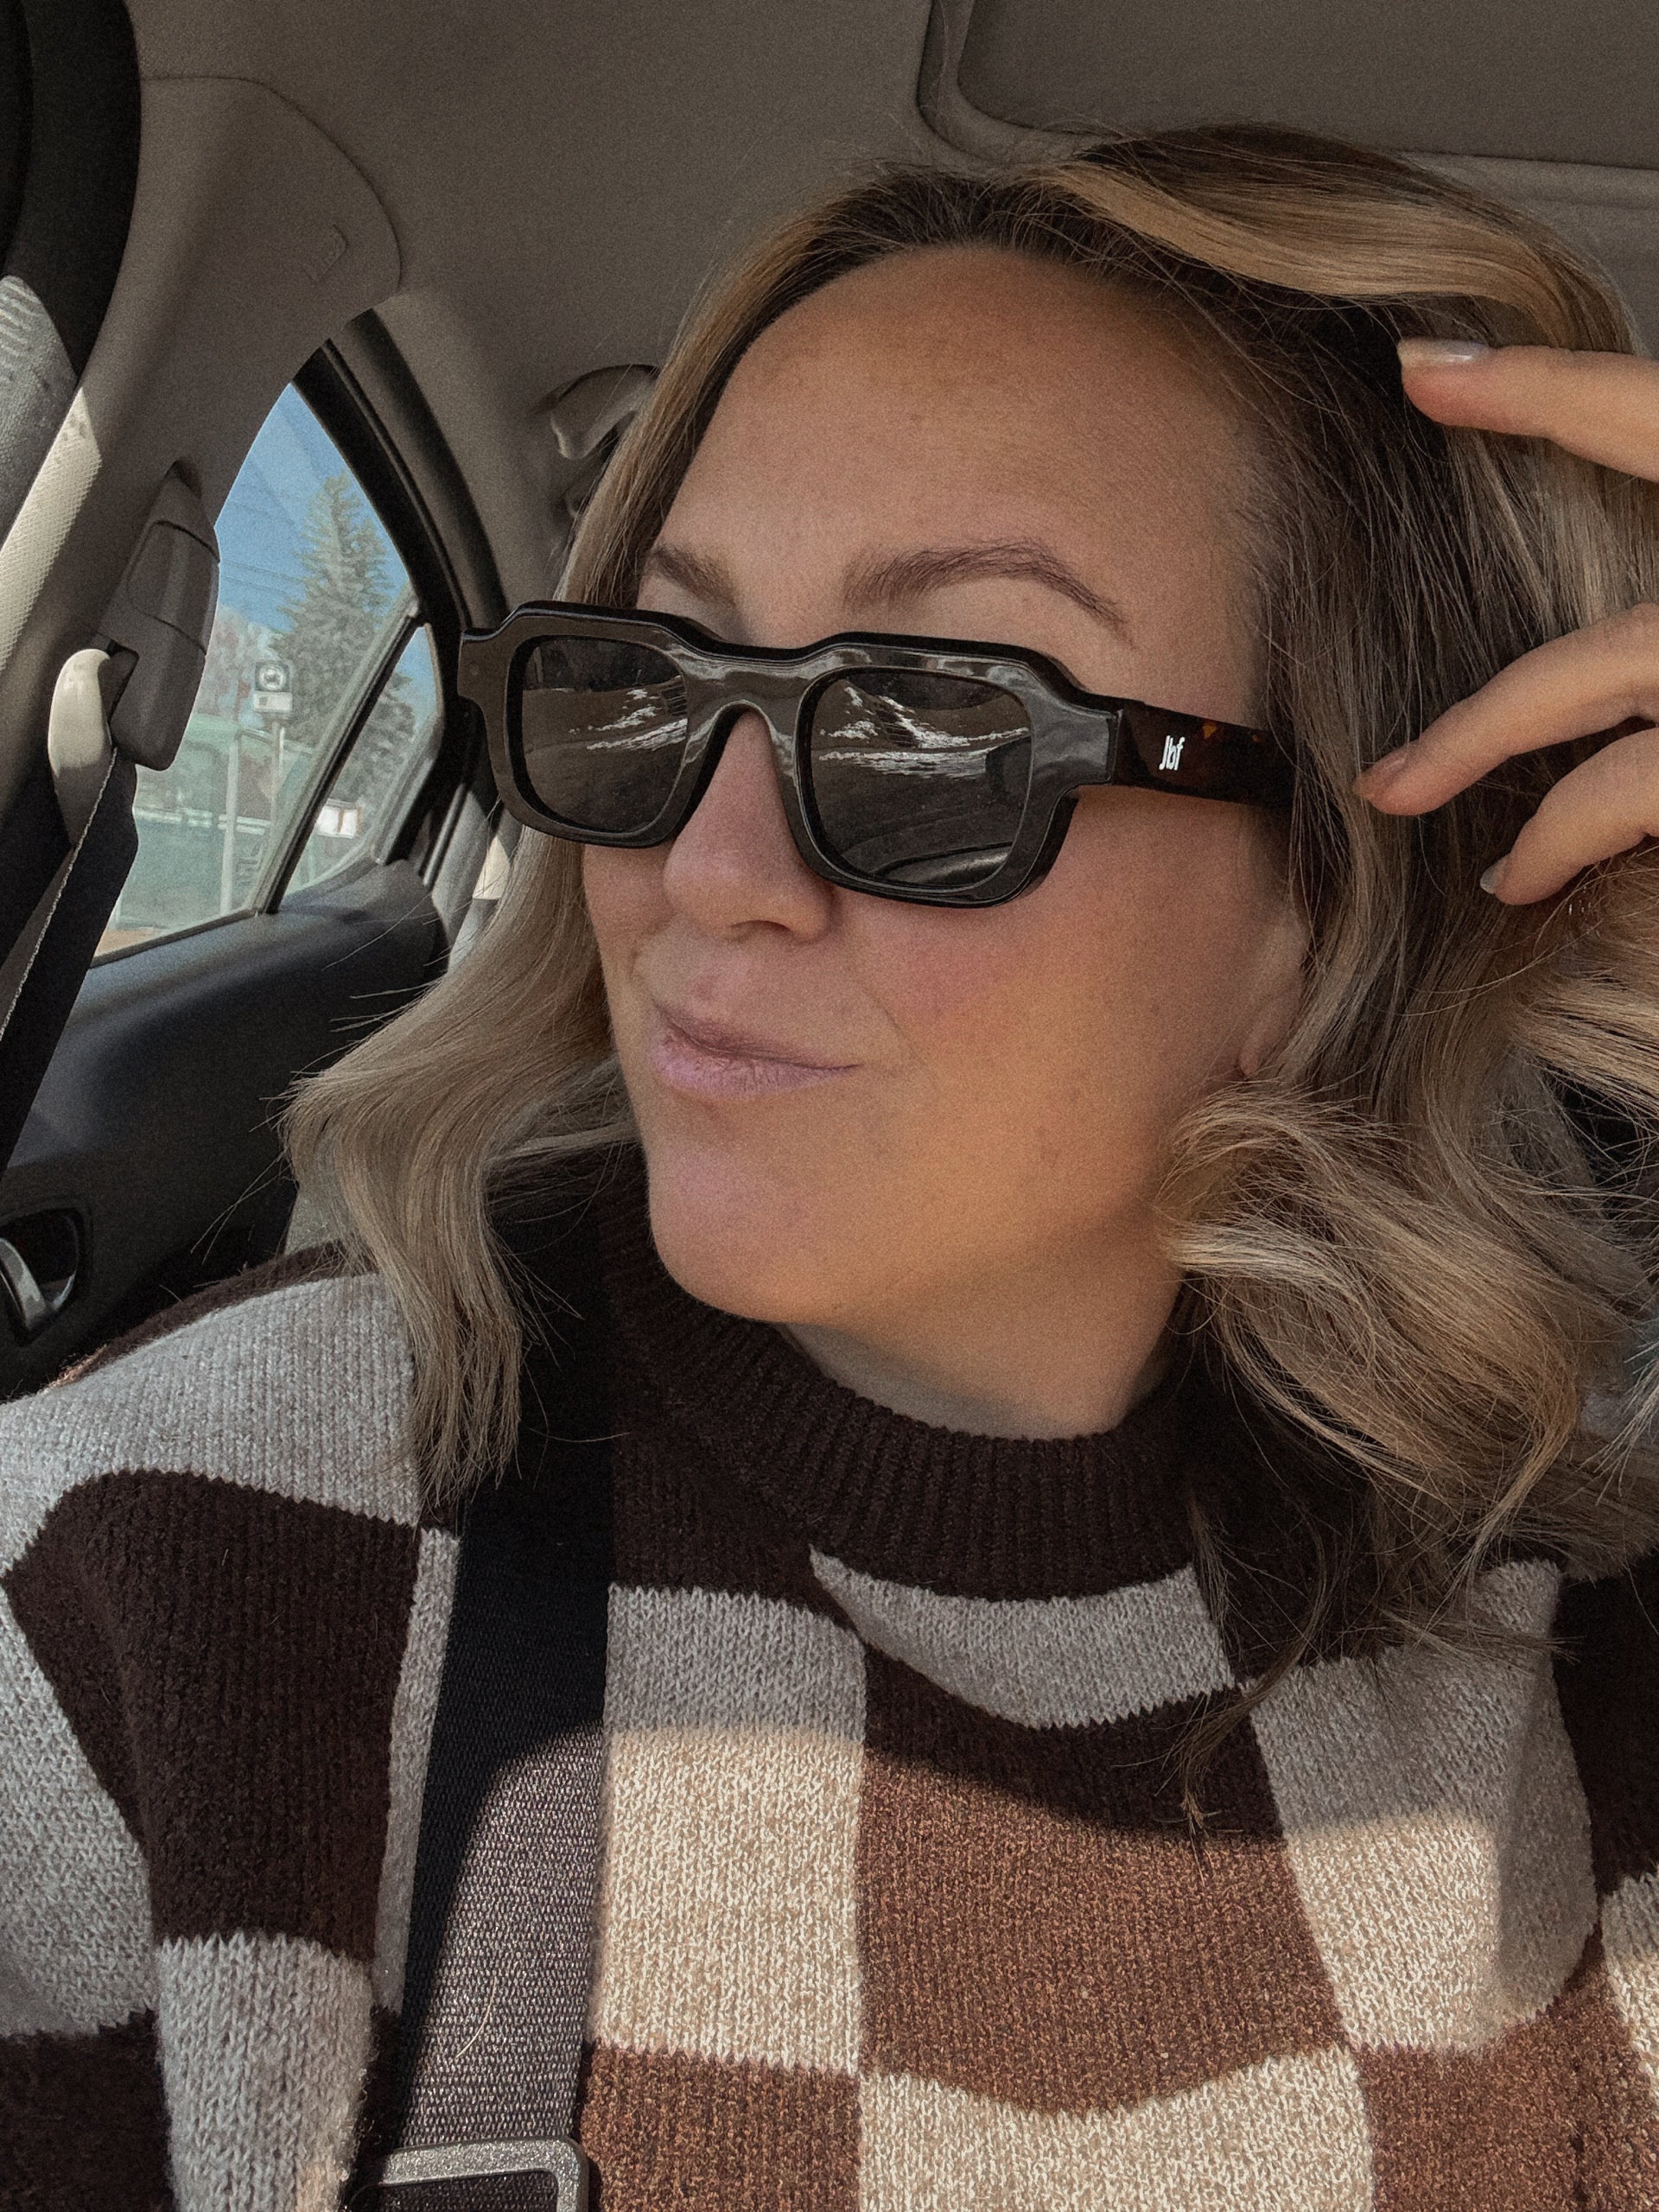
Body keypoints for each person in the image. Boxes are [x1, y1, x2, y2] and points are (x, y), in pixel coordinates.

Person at [4, 123, 1659, 2209]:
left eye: (934, 727)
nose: (706, 871)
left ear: (1337, 901)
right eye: (650, 680)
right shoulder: (163, 1557)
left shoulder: (1576, 1662)